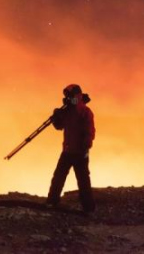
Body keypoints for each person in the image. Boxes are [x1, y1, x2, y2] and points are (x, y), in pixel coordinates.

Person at [46, 84, 96, 213]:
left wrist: (86, 146)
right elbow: (59, 126)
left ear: (77, 96)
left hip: (79, 152)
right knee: (58, 177)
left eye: (70, 96)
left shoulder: (85, 112)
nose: (68, 99)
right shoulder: (67, 111)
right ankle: (52, 201)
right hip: (68, 151)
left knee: (83, 181)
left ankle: (88, 207)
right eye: (67, 97)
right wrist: (56, 118)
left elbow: (89, 131)